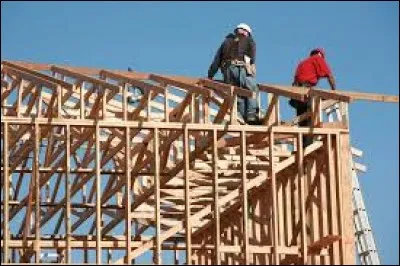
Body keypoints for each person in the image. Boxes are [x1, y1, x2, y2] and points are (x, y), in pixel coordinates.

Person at [207, 23, 261, 125]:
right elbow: (252, 58)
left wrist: (210, 75)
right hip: (241, 68)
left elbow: (216, 61)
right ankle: (251, 116)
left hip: (227, 71)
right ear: (246, 32)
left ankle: (245, 118)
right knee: (252, 89)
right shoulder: (249, 40)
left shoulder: (226, 42)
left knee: (237, 95)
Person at [289, 47, 336, 147]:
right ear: (320, 55)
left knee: (302, 119)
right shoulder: (318, 59)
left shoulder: (302, 63)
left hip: (297, 93)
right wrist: (334, 92)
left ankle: (303, 145)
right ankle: (309, 145)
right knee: (311, 115)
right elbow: (330, 76)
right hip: (306, 91)